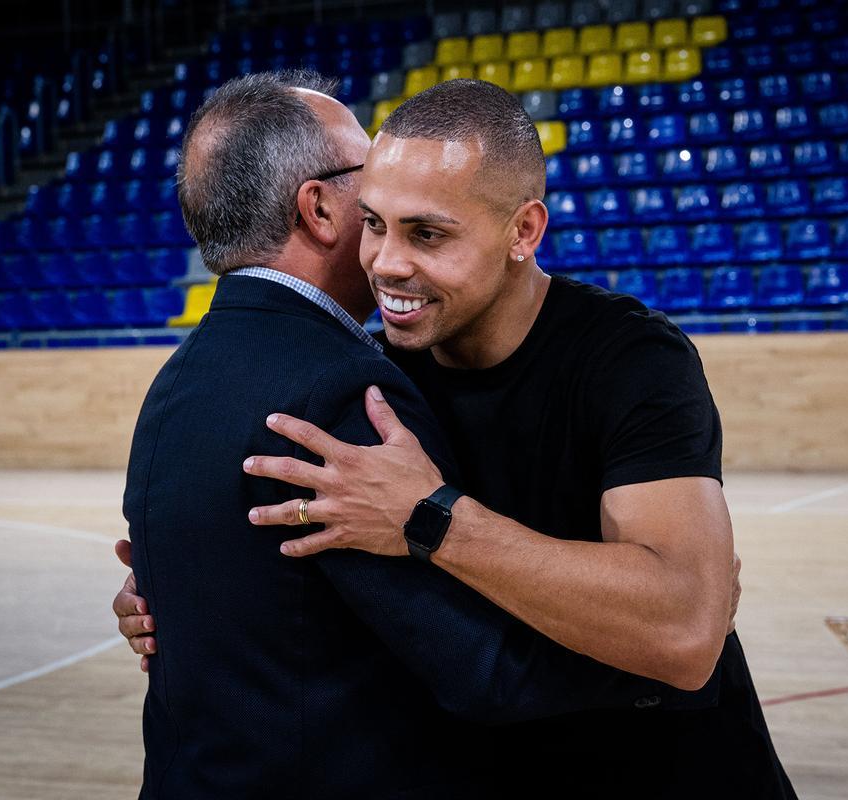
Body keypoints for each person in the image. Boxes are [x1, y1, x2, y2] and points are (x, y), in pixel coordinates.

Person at [119, 70, 736, 800]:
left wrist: (431, 517)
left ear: (524, 231)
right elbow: (458, 662)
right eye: (374, 221)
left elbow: (683, 635)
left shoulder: (631, 358)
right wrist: (200, 599)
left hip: (665, 771)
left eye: (427, 233)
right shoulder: (371, 373)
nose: (384, 262)